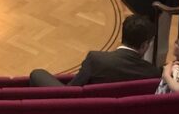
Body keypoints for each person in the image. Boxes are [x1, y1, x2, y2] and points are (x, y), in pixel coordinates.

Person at [29, 15, 160, 87]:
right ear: (144, 45)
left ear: (123, 36)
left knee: (37, 74)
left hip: (80, 112)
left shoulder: (96, 59)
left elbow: (72, 90)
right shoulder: (152, 73)